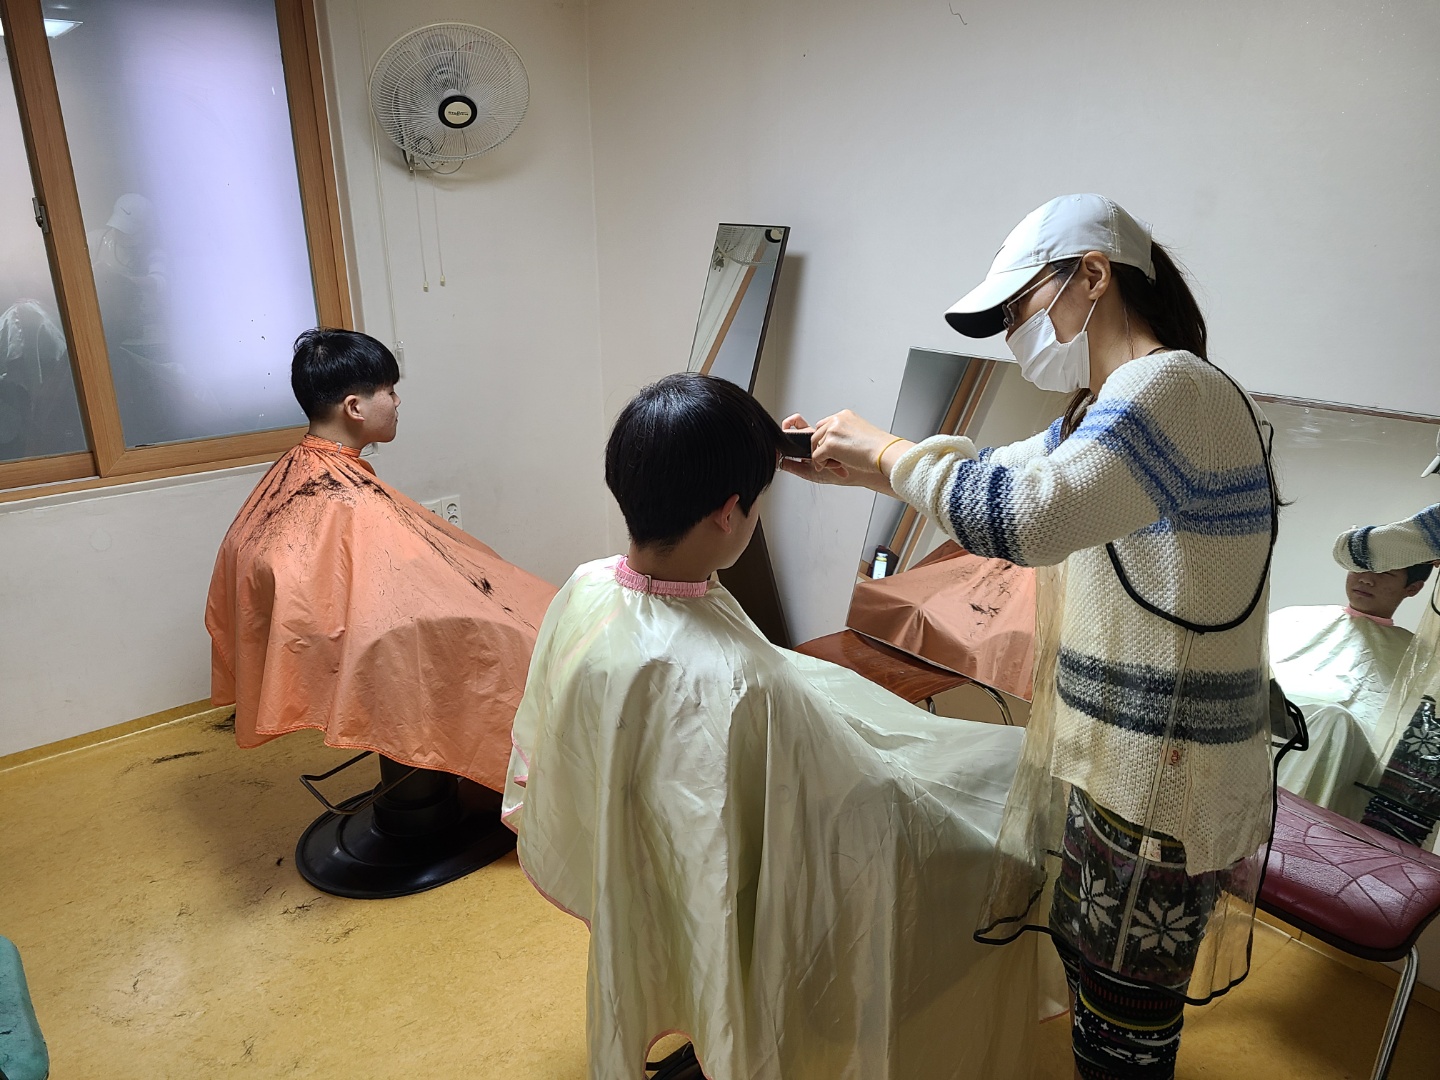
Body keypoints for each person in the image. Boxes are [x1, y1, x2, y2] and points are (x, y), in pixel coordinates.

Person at [784, 194, 1277, 1080]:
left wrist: (888, 450)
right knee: (1095, 984)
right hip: (1116, 765)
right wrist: (862, 470)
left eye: (1021, 307)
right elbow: (996, 473)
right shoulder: (1103, 409)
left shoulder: (1171, 388)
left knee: (1125, 1031)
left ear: (1094, 274)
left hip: (1163, 785)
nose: (1017, 333)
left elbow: (1025, 516)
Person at [503, 373, 1039, 1080]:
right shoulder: (739, 684)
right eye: (756, 505)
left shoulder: (586, 585)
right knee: (1009, 774)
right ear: (729, 513)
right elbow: (845, 794)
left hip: (653, 850)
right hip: (798, 818)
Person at [205, 328, 555, 792]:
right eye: (389, 391)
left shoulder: (296, 471)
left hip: (346, 621)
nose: (397, 401)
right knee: (531, 638)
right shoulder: (343, 496)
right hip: (368, 630)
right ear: (355, 407)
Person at [1270, 564, 1432, 815]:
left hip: (1353, 773)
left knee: (1334, 721)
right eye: (1361, 567)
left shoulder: (1419, 661)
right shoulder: (1291, 620)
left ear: (1412, 588)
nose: (1366, 579)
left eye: (1385, 573)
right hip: (1262, 746)